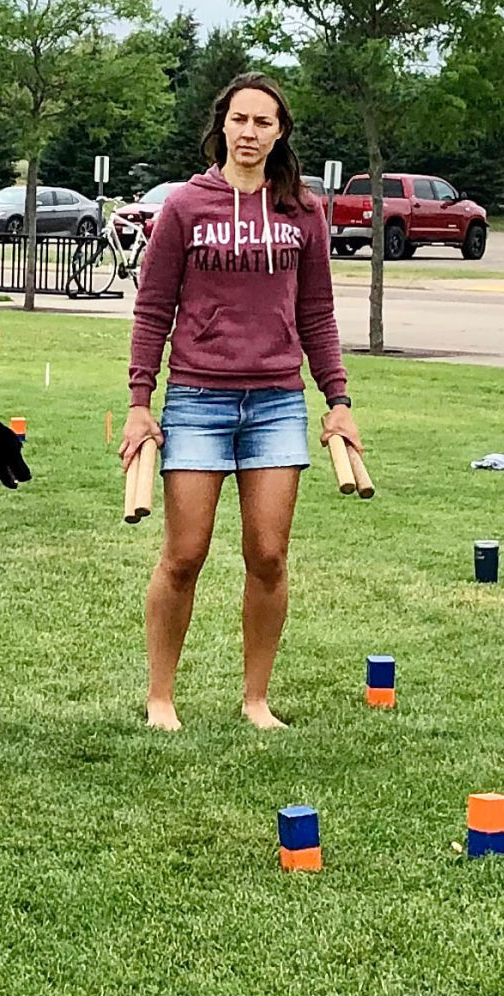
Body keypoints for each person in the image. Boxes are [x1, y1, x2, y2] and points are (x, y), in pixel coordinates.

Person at [119, 72, 362, 732]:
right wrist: (141, 403)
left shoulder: (303, 212)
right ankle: (161, 696)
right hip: (198, 397)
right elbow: (152, 309)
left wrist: (337, 399)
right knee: (185, 553)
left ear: (279, 132)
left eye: (263, 122)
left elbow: (317, 312)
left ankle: (256, 699)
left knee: (269, 554)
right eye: (240, 120)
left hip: (277, 403)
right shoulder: (185, 206)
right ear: (221, 125)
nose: (250, 132)